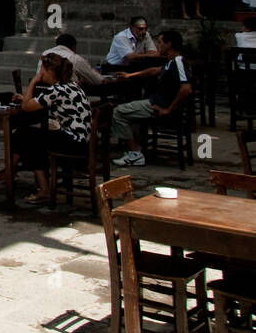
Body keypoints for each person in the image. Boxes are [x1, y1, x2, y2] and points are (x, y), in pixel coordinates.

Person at [14, 53, 92, 203]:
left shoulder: (56, 90)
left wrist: (33, 82)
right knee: (31, 137)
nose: (40, 74)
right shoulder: (72, 85)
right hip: (82, 140)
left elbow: (26, 107)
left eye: (42, 71)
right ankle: (14, 171)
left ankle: (39, 187)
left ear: (49, 72)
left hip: (74, 142)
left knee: (26, 135)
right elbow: (35, 102)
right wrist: (27, 98)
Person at [111, 29, 191, 167]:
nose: (158, 46)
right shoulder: (170, 62)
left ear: (169, 44)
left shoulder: (178, 62)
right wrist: (130, 75)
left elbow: (186, 89)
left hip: (159, 104)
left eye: (160, 42)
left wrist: (169, 110)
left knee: (118, 112)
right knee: (132, 112)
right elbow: (155, 70)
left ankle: (134, 153)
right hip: (156, 101)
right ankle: (137, 147)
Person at [36, 34, 121, 90]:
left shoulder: (45, 54)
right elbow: (97, 80)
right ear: (74, 47)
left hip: (43, 91)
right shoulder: (75, 59)